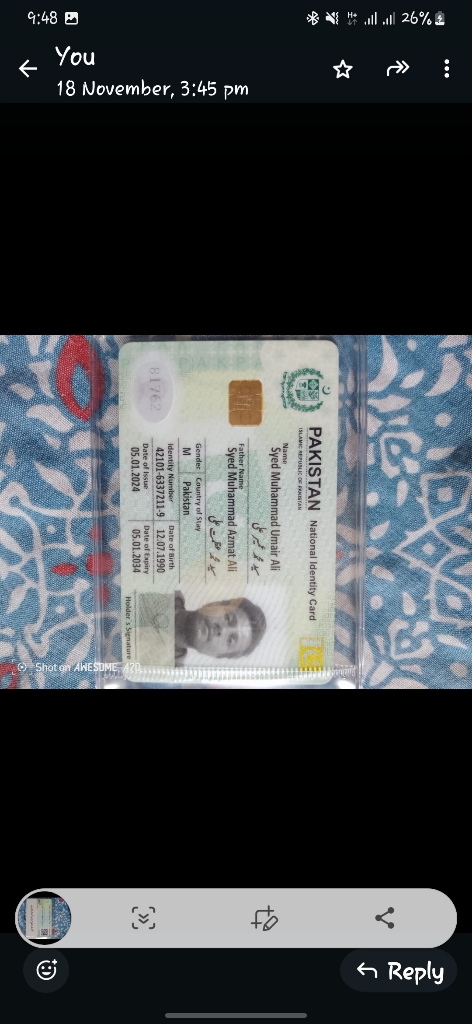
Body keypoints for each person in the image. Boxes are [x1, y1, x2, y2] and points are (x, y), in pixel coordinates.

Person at [174, 593, 266, 664]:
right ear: (214, 604)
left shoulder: (172, 675)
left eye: (229, 641)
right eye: (228, 617)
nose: (222, 630)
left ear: (217, 655)